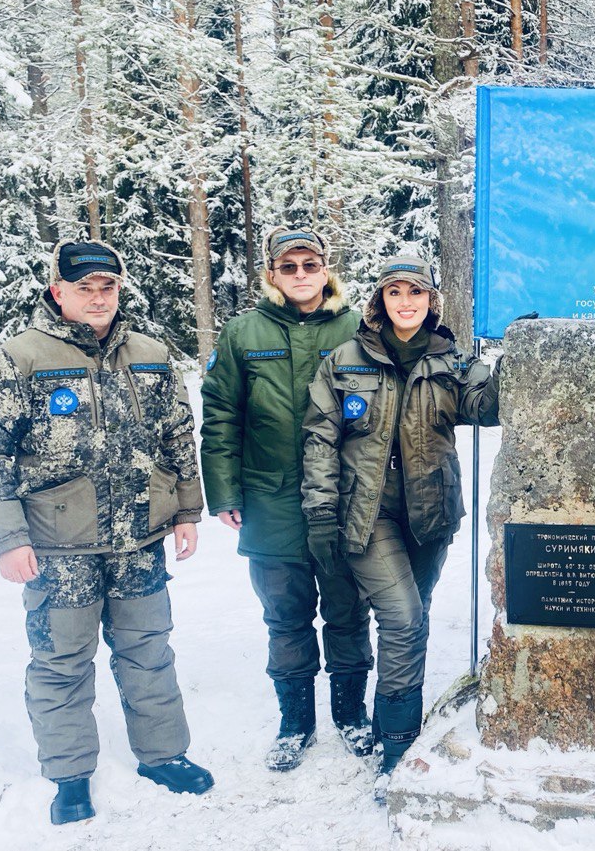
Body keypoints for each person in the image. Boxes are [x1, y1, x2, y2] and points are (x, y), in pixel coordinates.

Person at [0, 240, 214, 826]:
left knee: (148, 649)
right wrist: (8, 539)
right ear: (57, 291)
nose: (96, 298)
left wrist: (187, 512)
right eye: (83, 288)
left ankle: (163, 755)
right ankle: (68, 774)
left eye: (106, 287)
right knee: (62, 659)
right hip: (56, 545)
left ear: (119, 289)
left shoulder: (149, 353)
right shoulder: (19, 357)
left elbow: (177, 437)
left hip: (139, 536)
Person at [300, 254, 500, 797]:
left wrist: (506, 365)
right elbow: (320, 438)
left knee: (416, 614)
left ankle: (391, 715)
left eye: (416, 293)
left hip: (430, 511)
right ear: (379, 301)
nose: (405, 302)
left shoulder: (451, 360)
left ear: (431, 301)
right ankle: (398, 746)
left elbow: (488, 408)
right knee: (404, 618)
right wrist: (321, 510)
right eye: (395, 293)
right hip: (367, 512)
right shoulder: (345, 359)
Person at [200, 226, 373, 772]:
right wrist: (223, 490)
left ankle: (350, 715)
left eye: (310, 264)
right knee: (286, 617)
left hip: (345, 499)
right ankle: (294, 722)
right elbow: (221, 416)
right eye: (289, 266)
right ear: (271, 273)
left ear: (327, 269)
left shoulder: (359, 328)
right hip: (270, 500)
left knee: (348, 613)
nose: (301, 274)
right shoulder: (243, 332)